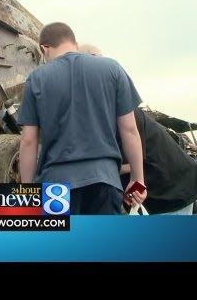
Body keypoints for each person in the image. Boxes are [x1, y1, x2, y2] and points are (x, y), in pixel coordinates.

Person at [17, 22, 146, 214]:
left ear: (44, 48)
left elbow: (28, 141)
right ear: (74, 43)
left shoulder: (37, 78)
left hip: (55, 184)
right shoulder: (112, 69)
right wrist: (138, 180)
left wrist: (26, 192)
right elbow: (129, 130)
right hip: (105, 179)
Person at [79, 43, 197, 215]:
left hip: (172, 189)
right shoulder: (108, 107)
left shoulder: (117, 111)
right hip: (167, 188)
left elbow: (129, 160)